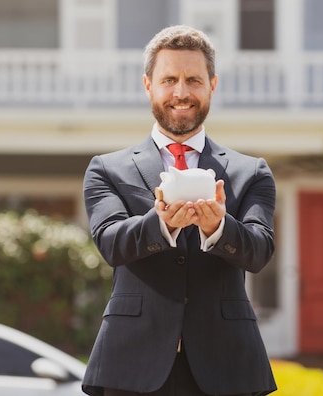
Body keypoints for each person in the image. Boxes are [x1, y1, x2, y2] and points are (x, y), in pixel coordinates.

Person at [81, 25, 277, 396]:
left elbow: (259, 250)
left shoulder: (251, 172)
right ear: (148, 85)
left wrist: (220, 228)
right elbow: (110, 244)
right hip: (131, 366)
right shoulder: (106, 169)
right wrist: (160, 225)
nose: (181, 92)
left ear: (212, 86)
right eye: (169, 79)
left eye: (193, 80)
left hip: (227, 365)